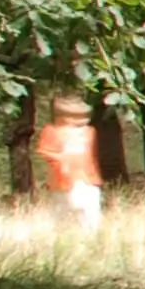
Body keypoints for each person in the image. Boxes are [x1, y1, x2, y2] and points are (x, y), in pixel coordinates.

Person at [32, 96, 106, 226]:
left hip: (87, 178)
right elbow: (45, 150)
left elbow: (92, 154)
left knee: (90, 211)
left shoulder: (90, 132)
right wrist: (62, 161)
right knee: (63, 213)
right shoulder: (52, 131)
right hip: (63, 179)